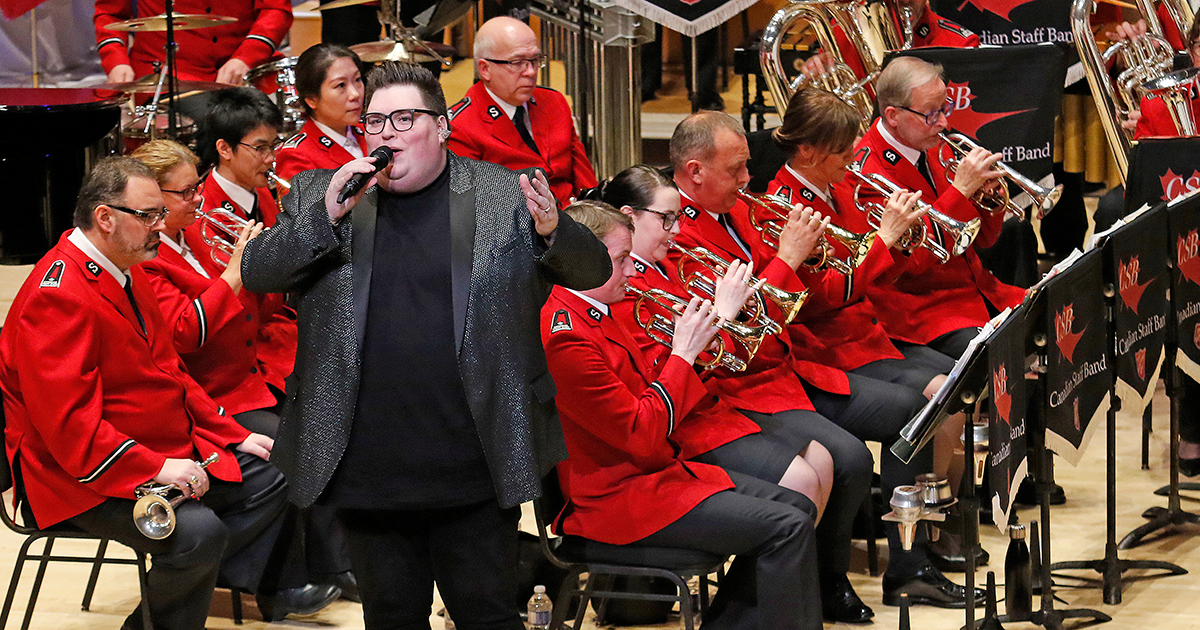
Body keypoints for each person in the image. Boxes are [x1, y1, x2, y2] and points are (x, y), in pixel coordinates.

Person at [239, 61, 611, 630]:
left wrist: (553, 230)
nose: (385, 133)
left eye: (404, 118)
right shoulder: (323, 192)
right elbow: (260, 271)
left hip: (475, 455)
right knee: (391, 616)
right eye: (374, 120)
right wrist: (323, 217)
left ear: (441, 127)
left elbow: (592, 270)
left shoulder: (502, 195)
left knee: (486, 613)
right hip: (366, 461)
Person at [669, 110, 983, 612]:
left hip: (793, 368)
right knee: (857, 456)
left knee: (921, 411)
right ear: (695, 171)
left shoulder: (743, 210)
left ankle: (909, 557)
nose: (748, 180)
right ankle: (831, 578)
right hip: (744, 386)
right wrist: (791, 258)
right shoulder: (680, 236)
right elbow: (771, 314)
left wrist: (891, 242)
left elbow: (826, 286)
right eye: (735, 171)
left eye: (748, 166)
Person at [0, 156, 324, 630]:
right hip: (72, 474)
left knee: (278, 470)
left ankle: (211, 584)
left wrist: (227, 431)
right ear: (105, 218)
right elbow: (71, 432)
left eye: (159, 213)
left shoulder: (124, 266)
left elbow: (169, 371)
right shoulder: (58, 295)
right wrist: (156, 466)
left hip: (150, 441)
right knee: (197, 536)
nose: (160, 225)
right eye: (148, 216)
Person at [543, 199, 823, 630]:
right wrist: (685, 353)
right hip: (616, 498)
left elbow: (653, 390)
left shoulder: (601, 311)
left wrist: (697, 341)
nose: (633, 270)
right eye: (621, 260)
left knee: (796, 505)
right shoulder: (567, 335)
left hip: (657, 473)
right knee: (786, 527)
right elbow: (641, 431)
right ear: (582, 260)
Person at [132, 140, 358, 602]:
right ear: (154, 198)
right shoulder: (148, 256)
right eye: (186, 192)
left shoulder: (194, 233)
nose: (199, 198)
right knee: (293, 450)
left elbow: (257, 307)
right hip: (209, 394)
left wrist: (263, 264)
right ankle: (276, 582)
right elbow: (186, 334)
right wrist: (235, 272)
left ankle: (337, 563)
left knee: (334, 422)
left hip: (249, 374)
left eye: (197, 187)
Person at [768, 88, 979, 570]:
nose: (852, 158)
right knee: (930, 409)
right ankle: (916, 552)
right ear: (806, 151)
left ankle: (935, 525)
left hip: (868, 336)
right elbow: (821, 299)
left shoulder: (839, 189)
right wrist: (883, 238)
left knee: (959, 390)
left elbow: (882, 274)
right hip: (827, 351)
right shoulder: (784, 207)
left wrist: (901, 239)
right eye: (843, 151)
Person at [589, 165, 834, 522]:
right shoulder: (623, 287)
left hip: (715, 406)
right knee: (803, 482)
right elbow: (669, 366)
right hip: (683, 424)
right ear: (629, 217)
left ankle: (800, 575)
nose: (677, 230)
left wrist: (736, 308)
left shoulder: (670, 266)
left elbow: (722, 352)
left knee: (822, 462)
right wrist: (723, 313)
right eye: (667, 219)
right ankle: (781, 570)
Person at [833, 56, 1025, 360]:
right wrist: (961, 191)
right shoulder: (865, 175)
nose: (944, 122)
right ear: (893, 115)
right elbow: (917, 261)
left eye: (945, 109)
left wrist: (990, 198)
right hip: (925, 313)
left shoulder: (936, 143)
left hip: (979, 291)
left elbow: (985, 239)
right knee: (1006, 354)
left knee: (1058, 311)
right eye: (932, 113)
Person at [193, 87, 297, 404]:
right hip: (240, 359)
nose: (271, 159)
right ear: (224, 148)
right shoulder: (203, 212)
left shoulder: (262, 192)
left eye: (274, 146)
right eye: (261, 148)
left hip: (280, 334)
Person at [446, 16, 598, 206]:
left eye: (534, 60)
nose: (531, 71)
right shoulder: (462, 126)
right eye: (517, 62)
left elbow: (586, 182)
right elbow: (473, 208)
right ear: (485, 69)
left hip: (575, 220)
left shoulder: (554, 102)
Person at [94, 0, 293, 84]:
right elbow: (110, 14)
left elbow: (275, 9)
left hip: (247, 70)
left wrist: (245, 58)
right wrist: (116, 61)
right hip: (166, 73)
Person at [275, 44, 368, 182]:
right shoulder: (297, 156)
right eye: (341, 85)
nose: (355, 94)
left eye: (357, 80)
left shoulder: (371, 131)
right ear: (312, 99)